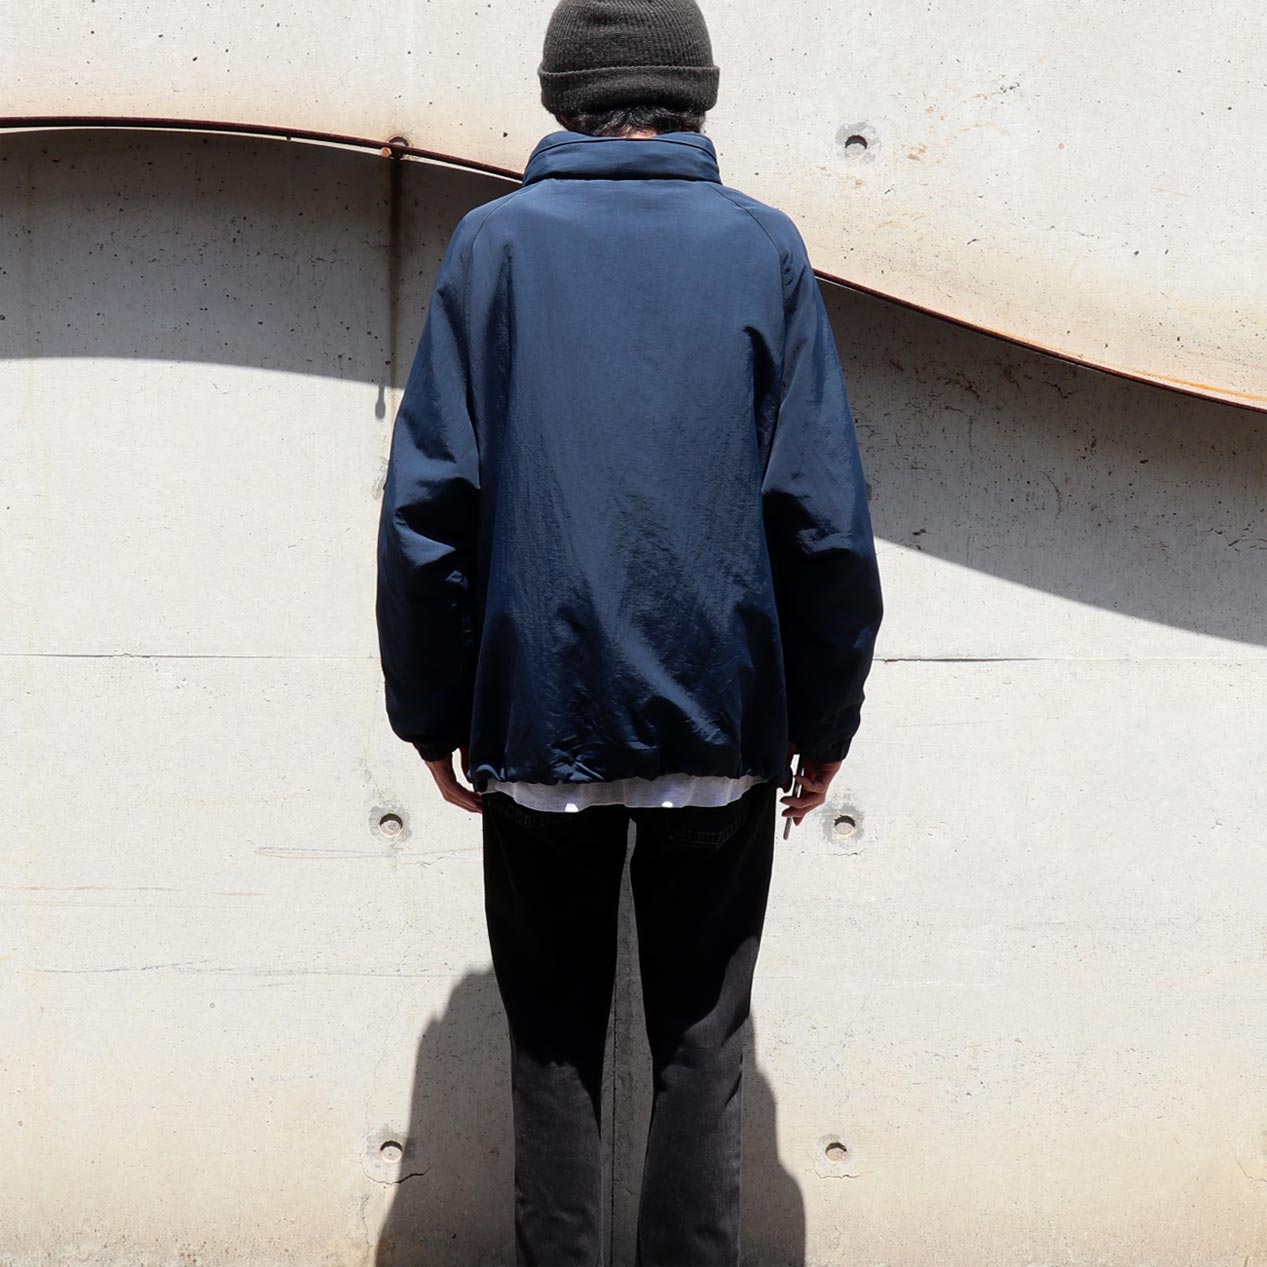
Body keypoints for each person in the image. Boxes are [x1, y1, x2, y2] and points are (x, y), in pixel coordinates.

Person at [374, 1, 884, 1260]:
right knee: (703, 1049)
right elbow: (820, 517)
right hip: (720, 721)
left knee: (551, 1047)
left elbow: (429, 510)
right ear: (695, 92)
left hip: (537, 720)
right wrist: (822, 723)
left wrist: (433, 712)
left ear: (562, 96)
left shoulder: (494, 246)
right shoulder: (759, 247)